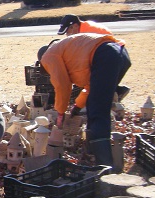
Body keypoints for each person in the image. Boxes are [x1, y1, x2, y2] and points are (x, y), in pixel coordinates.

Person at [37, 33, 131, 167]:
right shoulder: (69, 52)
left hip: (106, 56)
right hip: (120, 54)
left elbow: (62, 85)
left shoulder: (49, 56)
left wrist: (61, 112)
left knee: (98, 112)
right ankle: (94, 154)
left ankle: (104, 166)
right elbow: (90, 86)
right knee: (94, 104)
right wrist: (77, 107)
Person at [56, 15, 130, 100]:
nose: (67, 35)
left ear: (75, 26)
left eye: (68, 31)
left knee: (97, 87)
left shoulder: (86, 35)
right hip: (120, 53)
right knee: (104, 86)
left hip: (113, 56)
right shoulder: (86, 26)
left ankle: (116, 94)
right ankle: (118, 92)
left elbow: (84, 63)